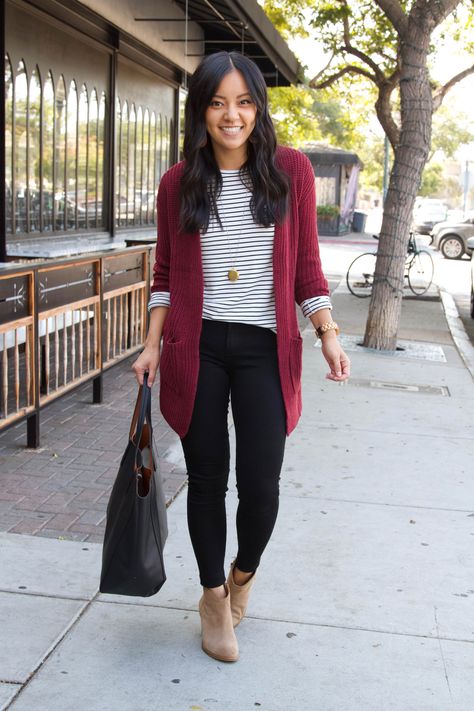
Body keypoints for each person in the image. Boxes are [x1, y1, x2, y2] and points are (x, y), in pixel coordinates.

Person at [132, 51, 350, 663]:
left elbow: (307, 267)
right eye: (219, 102)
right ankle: (210, 598)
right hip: (196, 347)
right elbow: (168, 275)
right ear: (201, 110)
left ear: (258, 106)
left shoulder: (291, 173)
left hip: (264, 350)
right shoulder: (180, 182)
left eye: (244, 101)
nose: (232, 115)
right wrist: (151, 345)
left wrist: (327, 331)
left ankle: (242, 576)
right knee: (207, 480)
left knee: (261, 486)